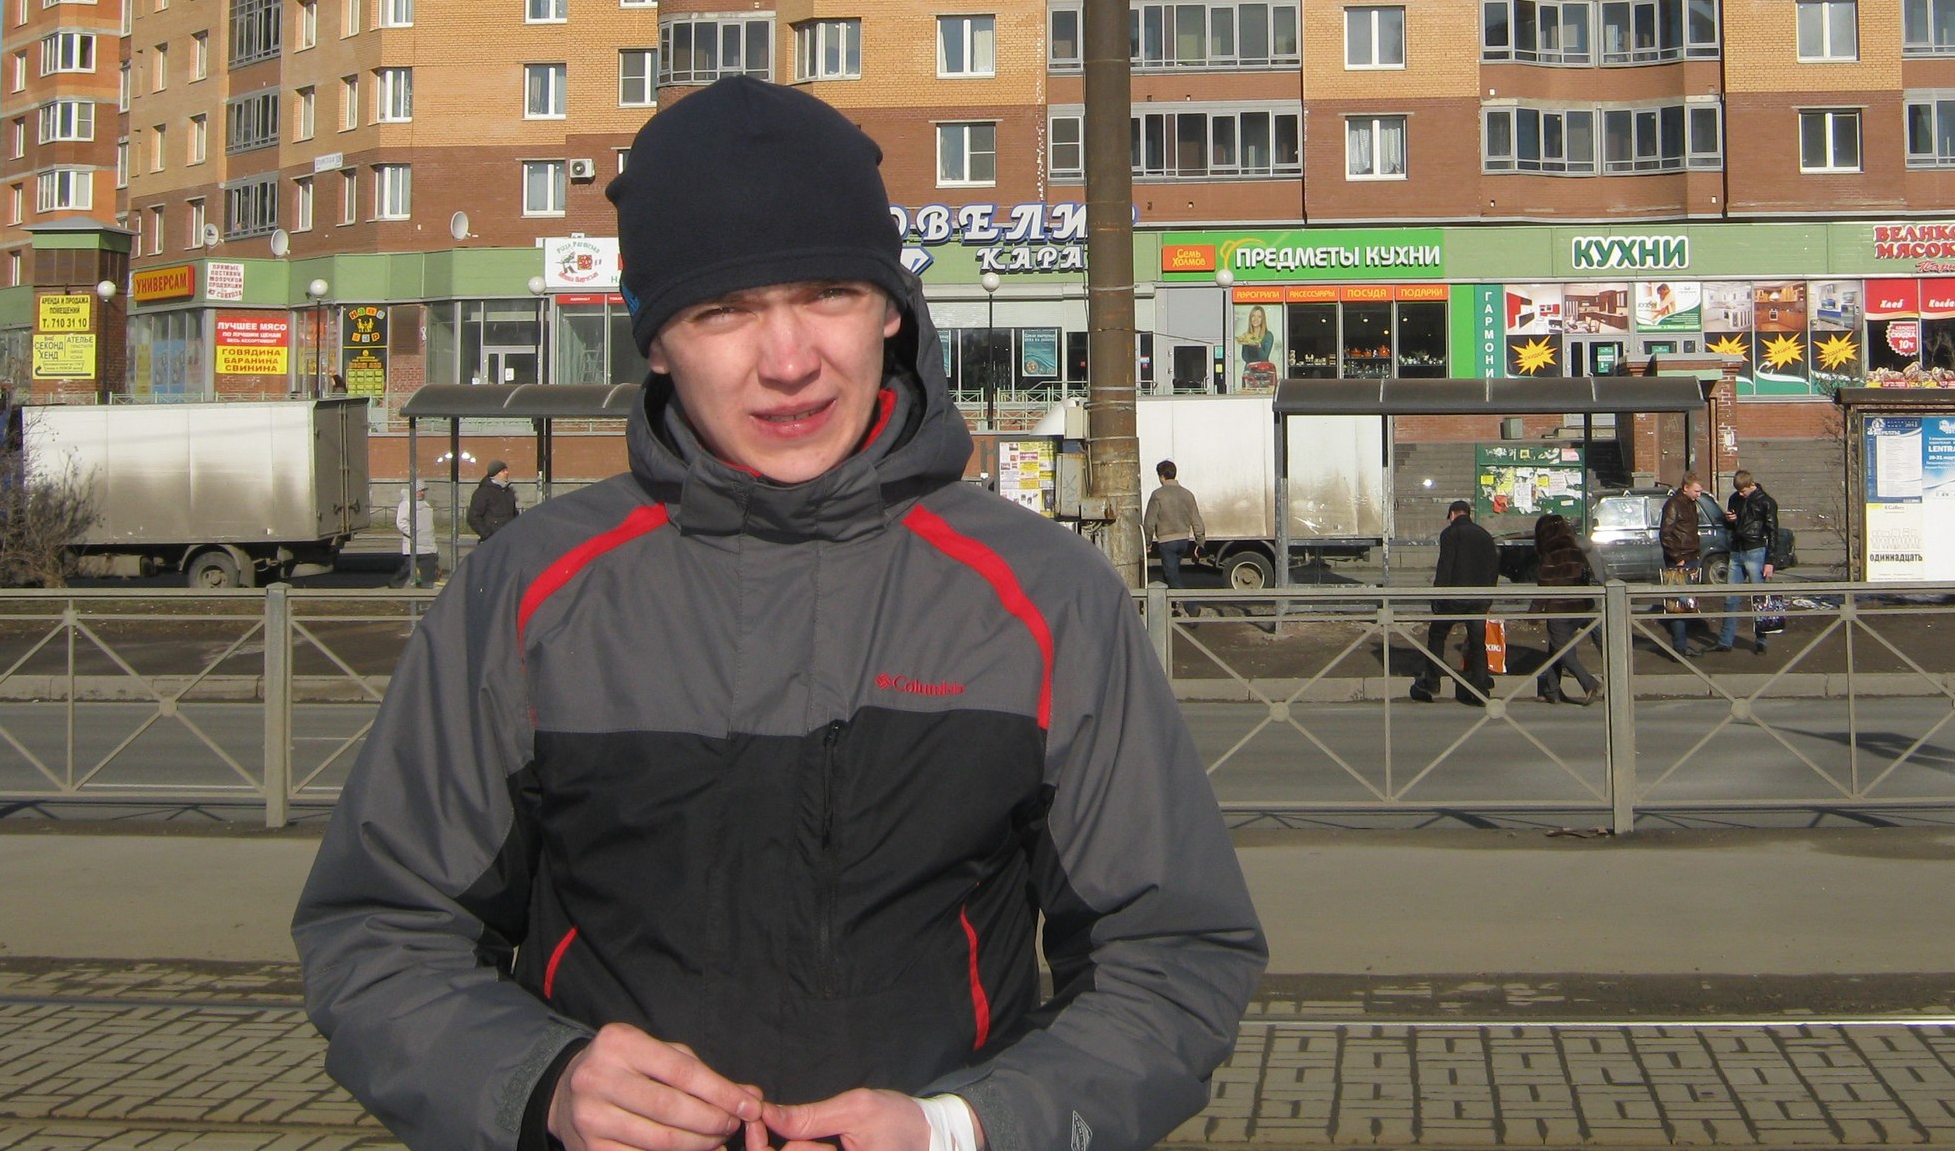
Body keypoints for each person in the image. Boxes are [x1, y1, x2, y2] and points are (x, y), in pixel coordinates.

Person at [295, 77, 1264, 1151]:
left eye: (829, 293)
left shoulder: (1045, 597)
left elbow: (1172, 954)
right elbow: (381, 934)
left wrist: (964, 1131)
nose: (790, 361)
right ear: (654, 340)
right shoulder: (524, 593)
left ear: (892, 306)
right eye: (723, 311)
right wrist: (540, 1088)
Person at [1409, 499, 1501, 705]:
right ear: (1468, 514)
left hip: (1455, 597)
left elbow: (1446, 566)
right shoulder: (1485, 535)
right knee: (1477, 641)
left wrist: (1438, 596)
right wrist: (1488, 595)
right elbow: (1493, 567)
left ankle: (1432, 682)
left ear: (1452, 515)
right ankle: (1480, 688)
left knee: (1437, 634)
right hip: (1480, 598)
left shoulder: (1450, 534)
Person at [1530, 515, 1602, 705]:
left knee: (1562, 650)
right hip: (1579, 608)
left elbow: (1545, 585)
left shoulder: (1551, 553)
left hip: (1559, 609)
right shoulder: (1576, 550)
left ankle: (1589, 683)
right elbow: (1586, 576)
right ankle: (1551, 690)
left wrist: (1534, 612)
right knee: (1556, 647)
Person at [1718, 470, 1781, 655]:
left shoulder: (1766, 502)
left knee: (1759, 598)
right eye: (1738, 491)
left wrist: (1770, 561)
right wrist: (1729, 520)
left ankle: (1761, 640)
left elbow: (1773, 532)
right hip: (1737, 549)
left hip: (1756, 550)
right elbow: (1730, 525)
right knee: (1731, 597)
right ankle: (1725, 641)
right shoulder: (1735, 499)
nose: (1740, 494)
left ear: (1751, 485)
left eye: (1743, 491)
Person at [1657, 473, 1716, 655]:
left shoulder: (1690, 504)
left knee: (1688, 602)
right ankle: (1680, 647)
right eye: (1696, 491)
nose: (1699, 494)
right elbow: (1665, 533)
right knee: (1679, 604)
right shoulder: (1674, 504)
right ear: (1686, 488)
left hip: (1690, 556)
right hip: (1680, 559)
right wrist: (1677, 557)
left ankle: (1682, 645)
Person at [1145, 459, 1204, 592]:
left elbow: (1149, 522)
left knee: (1171, 576)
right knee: (1170, 572)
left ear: (1162, 476)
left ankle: (1186, 602)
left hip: (1167, 541)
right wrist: (1200, 541)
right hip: (1183, 541)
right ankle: (1169, 602)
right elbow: (1196, 520)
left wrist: (1147, 543)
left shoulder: (1158, 495)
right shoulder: (1188, 494)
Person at [390, 485, 436, 588]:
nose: (422, 493)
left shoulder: (426, 505)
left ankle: (425, 586)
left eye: (423, 491)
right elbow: (401, 522)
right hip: (414, 543)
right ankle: (394, 585)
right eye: (420, 491)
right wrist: (414, 533)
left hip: (428, 544)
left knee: (428, 565)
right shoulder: (406, 504)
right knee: (409, 567)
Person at [465, 461, 520, 545]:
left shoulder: (508, 492)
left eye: (506, 470)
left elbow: (514, 514)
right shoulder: (483, 492)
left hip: (508, 539)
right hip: (491, 541)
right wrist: (487, 535)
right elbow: (473, 517)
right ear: (495, 474)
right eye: (503, 471)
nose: (507, 473)